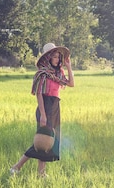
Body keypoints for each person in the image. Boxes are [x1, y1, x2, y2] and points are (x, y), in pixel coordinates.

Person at [10, 43, 74, 177]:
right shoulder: (42, 74)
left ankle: (40, 173)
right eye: (55, 57)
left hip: (55, 107)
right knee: (42, 141)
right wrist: (43, 115)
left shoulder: (58, 73)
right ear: (48, 58)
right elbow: (39, 94)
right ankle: (17, 167)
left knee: (48, 141)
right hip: (45, 107)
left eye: (58, 57)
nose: (57, 59)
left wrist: (68, 66)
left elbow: (71, 84)